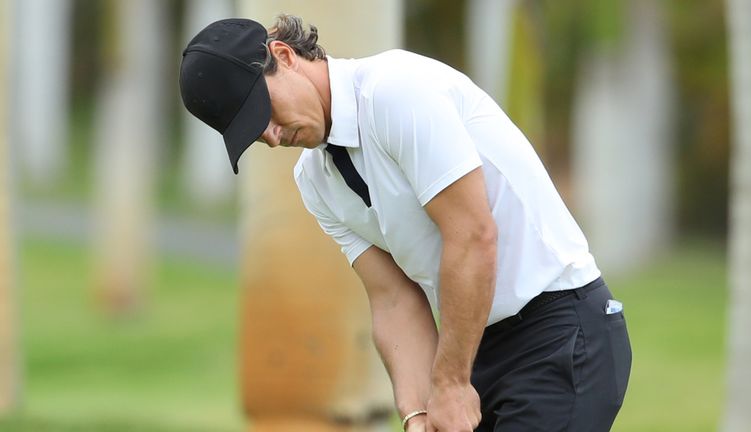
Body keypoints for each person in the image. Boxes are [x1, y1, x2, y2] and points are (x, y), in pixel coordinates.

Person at [179, 15, 631, 432]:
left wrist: (451, 383)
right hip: (475, 345)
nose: (273, 136)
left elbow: (473, 236)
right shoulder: (315, 179)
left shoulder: (395, 91)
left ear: (283, 56)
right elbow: (393, 298)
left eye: (265, 112)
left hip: (560, 332)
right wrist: (418, 412)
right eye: (254, 132)